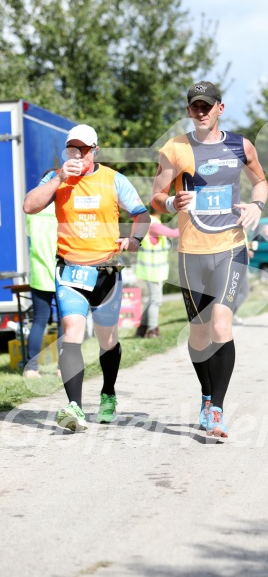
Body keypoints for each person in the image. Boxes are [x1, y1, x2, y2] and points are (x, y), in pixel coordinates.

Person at [151, 80, 268, 438]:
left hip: (231, 247)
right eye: (194, 107)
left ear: (220, 107)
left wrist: (256, 205)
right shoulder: (175, 148)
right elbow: (156, 195)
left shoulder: (240, 145)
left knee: (221, 326)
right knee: (199, 335)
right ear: (189, 111)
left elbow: (260, 181)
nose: (200, 112)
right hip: (191, 254)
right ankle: (205, 395)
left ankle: (216, 409)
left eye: (207, 106)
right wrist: (171, 203)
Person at [23, 124, 150, 432]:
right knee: (72, 332)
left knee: (108, 341)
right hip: (69, 270)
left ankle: (108, 393)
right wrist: (58, 179)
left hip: (105, 271)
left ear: (96, 151)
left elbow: (142, 215)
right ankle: (75, 408)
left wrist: (135, 241)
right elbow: (29, 205)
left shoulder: (114, 180)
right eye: (71, 149)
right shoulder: (57, 178)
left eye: (83, 149)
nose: (77, 154)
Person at [24, 170, 63, 379]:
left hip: (39, 272)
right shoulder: (62, 207)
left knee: (39, 321)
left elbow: (30, 233)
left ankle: (31, 368)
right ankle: (61, 367)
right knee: (65, 321)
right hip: (61, 271)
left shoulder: (33, 210)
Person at [134, 205, 179, 338]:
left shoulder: (150, 222)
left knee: (151, 300)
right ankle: (152, 330)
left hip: (150, 269)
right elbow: (173, 233)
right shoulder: (153, 224)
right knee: (156, 300)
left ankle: (142, 329)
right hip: (152, 270)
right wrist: (191, 224)